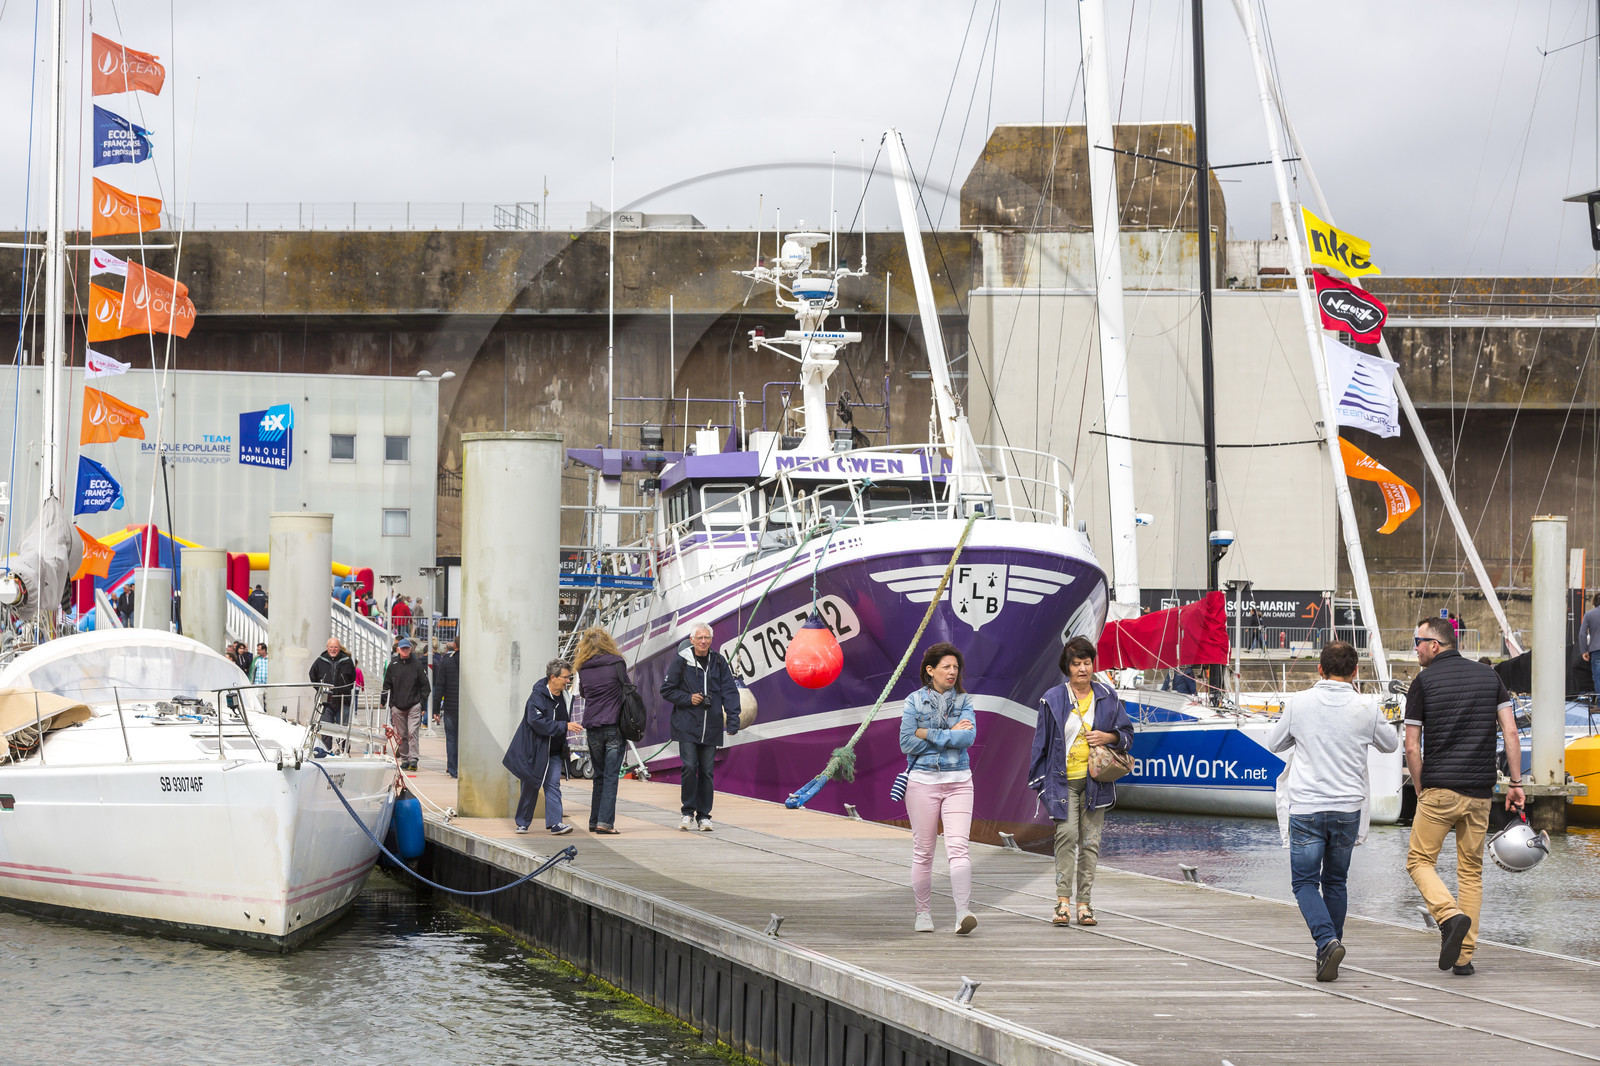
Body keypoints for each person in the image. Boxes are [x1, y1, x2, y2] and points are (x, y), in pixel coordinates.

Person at [1266, 641, 1400, 982]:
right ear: (1355, 672)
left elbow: (1274, 743)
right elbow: (1390, 744)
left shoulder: (1299, 704)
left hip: (1308, 806)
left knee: (1305, 883)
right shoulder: (1366, 706)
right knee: (1336, 882)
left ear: (1319, 670)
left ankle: (1327, 942)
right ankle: (1328, 949)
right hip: (1347, 808)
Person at [1405, 616, 1524, 976]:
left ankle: (1449, 915)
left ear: (1435, 645)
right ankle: (1464, 957)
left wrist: (1422, 786)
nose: (1416, 648)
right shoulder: (1491, 677)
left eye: (1418, 641)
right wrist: (1516, 784)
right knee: (1470, 872)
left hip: (1440, 790)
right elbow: (1512, 732)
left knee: (1418, 861)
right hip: (1479, 795)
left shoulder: (1422, 683)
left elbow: (1411, 746)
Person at [1029, 636, 1135, 929]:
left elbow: (1127, 734)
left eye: (1087, 662)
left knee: (1090, 843)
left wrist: (1108, 736)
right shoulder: (1052, 699)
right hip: (1062, 784)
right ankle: (1062, 902)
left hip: (1096, 784)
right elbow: (1040, 746)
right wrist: (1041, 786)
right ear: (1068, 666)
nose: (1083, 669)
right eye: (1076, 663)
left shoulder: (1107, 697)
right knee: (1067, 838)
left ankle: (1084, 904)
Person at [899, 642, 979, 935]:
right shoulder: (913, 701)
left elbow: (968, 738)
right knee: (924, 851)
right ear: (930, 670)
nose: (952, 672)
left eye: (955, 667)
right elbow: (906, 742)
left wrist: (928, 733)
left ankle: (963, 913)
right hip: (922, 781)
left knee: (959, 848)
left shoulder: (965, 701)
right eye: (946, 666)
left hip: (959, 781)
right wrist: (948, 734)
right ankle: (923, 913)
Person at [660, 622, 742, 832]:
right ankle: (687, 812)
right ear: (692, 639)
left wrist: (733, 719)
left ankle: (704, 816)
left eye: (706, 638)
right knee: (689, 767)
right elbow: (667, 690)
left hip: (712, 726)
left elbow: (730, 691)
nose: (703, 641)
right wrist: (689, 698)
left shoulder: (718, 661)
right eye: (699, 638)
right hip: (687, 725)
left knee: (706, 772)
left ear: (711, 640)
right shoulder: (681, 661)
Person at [502, 659, 584, 835]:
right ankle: (522, 822)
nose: (567, 681)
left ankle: (555, 824)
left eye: (569, 677)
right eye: (565, 677)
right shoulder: (537, 696)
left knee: (553, 785)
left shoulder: (566, 696)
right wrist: (564, 726)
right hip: (535, 751)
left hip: (554, 752)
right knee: (530, 786)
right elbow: (536, 722)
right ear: (553, 677)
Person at [573, 626, 629, 834]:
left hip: (593, 727)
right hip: (614, 725)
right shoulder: (616, 663)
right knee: (611, 776)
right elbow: (628, 688)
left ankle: (593, 820)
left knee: (599, 774)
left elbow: (584, 693)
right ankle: (605, 823)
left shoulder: (583, 667)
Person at [382, 638, 430, 771]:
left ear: (411, 649)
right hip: (397, 706)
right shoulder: (393, 665)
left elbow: (426, 686)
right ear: (398, 649)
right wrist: (386, 702)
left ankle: (413, 759)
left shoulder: (417, 665)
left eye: (407, 648)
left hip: (414, 704)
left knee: (412, 732)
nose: (405, 651)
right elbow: (387, 685)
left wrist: (421, 702)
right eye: (402, 648)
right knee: (401, 734)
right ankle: (404, 759)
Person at [309, 637, 358, 750]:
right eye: (331, 647)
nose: (333, 649)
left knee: (344, 728)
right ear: (327, 648)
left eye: (336, 647)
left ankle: (344, 750)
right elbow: (312, 675)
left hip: (343, 700)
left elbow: (352, 677)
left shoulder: (346, 660)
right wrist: (320, 689)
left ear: (339, 648)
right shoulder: (320, 660)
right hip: (326, 701)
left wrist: (345, 689)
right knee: (326, 728)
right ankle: (326, 750)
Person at [435, 639, 461, 777]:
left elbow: (439, 687)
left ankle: (453, 769)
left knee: (451, 739)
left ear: (455, 646)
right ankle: (464, 767)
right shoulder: (472, 661)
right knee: (463, 739)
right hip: (466, 708)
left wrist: (435, 709)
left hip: (450, 707)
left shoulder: (446, 662)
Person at [1580, 593, 1600, 695]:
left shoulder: (1589, 614)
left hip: (1596, 649)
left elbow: (1582, 634)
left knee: (1598, 677)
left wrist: (1584, 650)